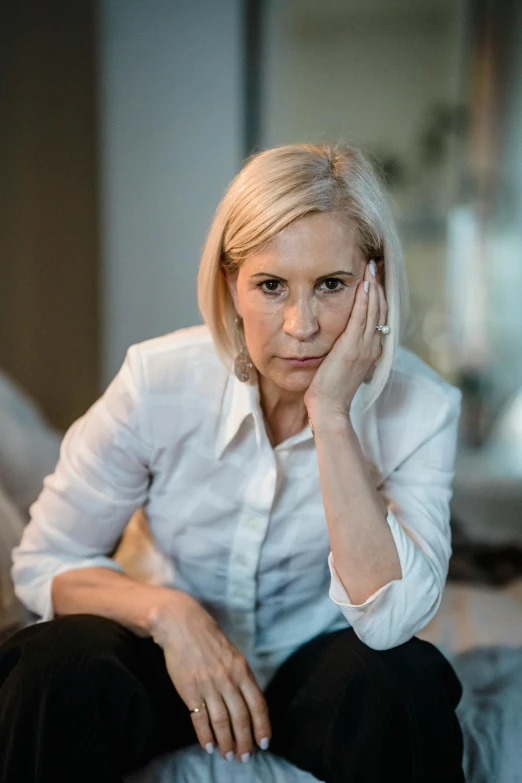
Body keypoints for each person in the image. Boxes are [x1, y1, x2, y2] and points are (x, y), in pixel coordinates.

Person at [0, 144, 464, 782]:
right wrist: (171, 615)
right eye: (271, 286)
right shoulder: (157, 382)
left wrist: (331, 416)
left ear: (373, 284)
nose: (301, 326)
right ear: (230, 284)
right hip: (169, 669)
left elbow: (393, 621)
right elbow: (45, 561)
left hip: (315, 673)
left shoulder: (423, 409)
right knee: (56, 664)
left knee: (406, 683)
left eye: (331, 285)